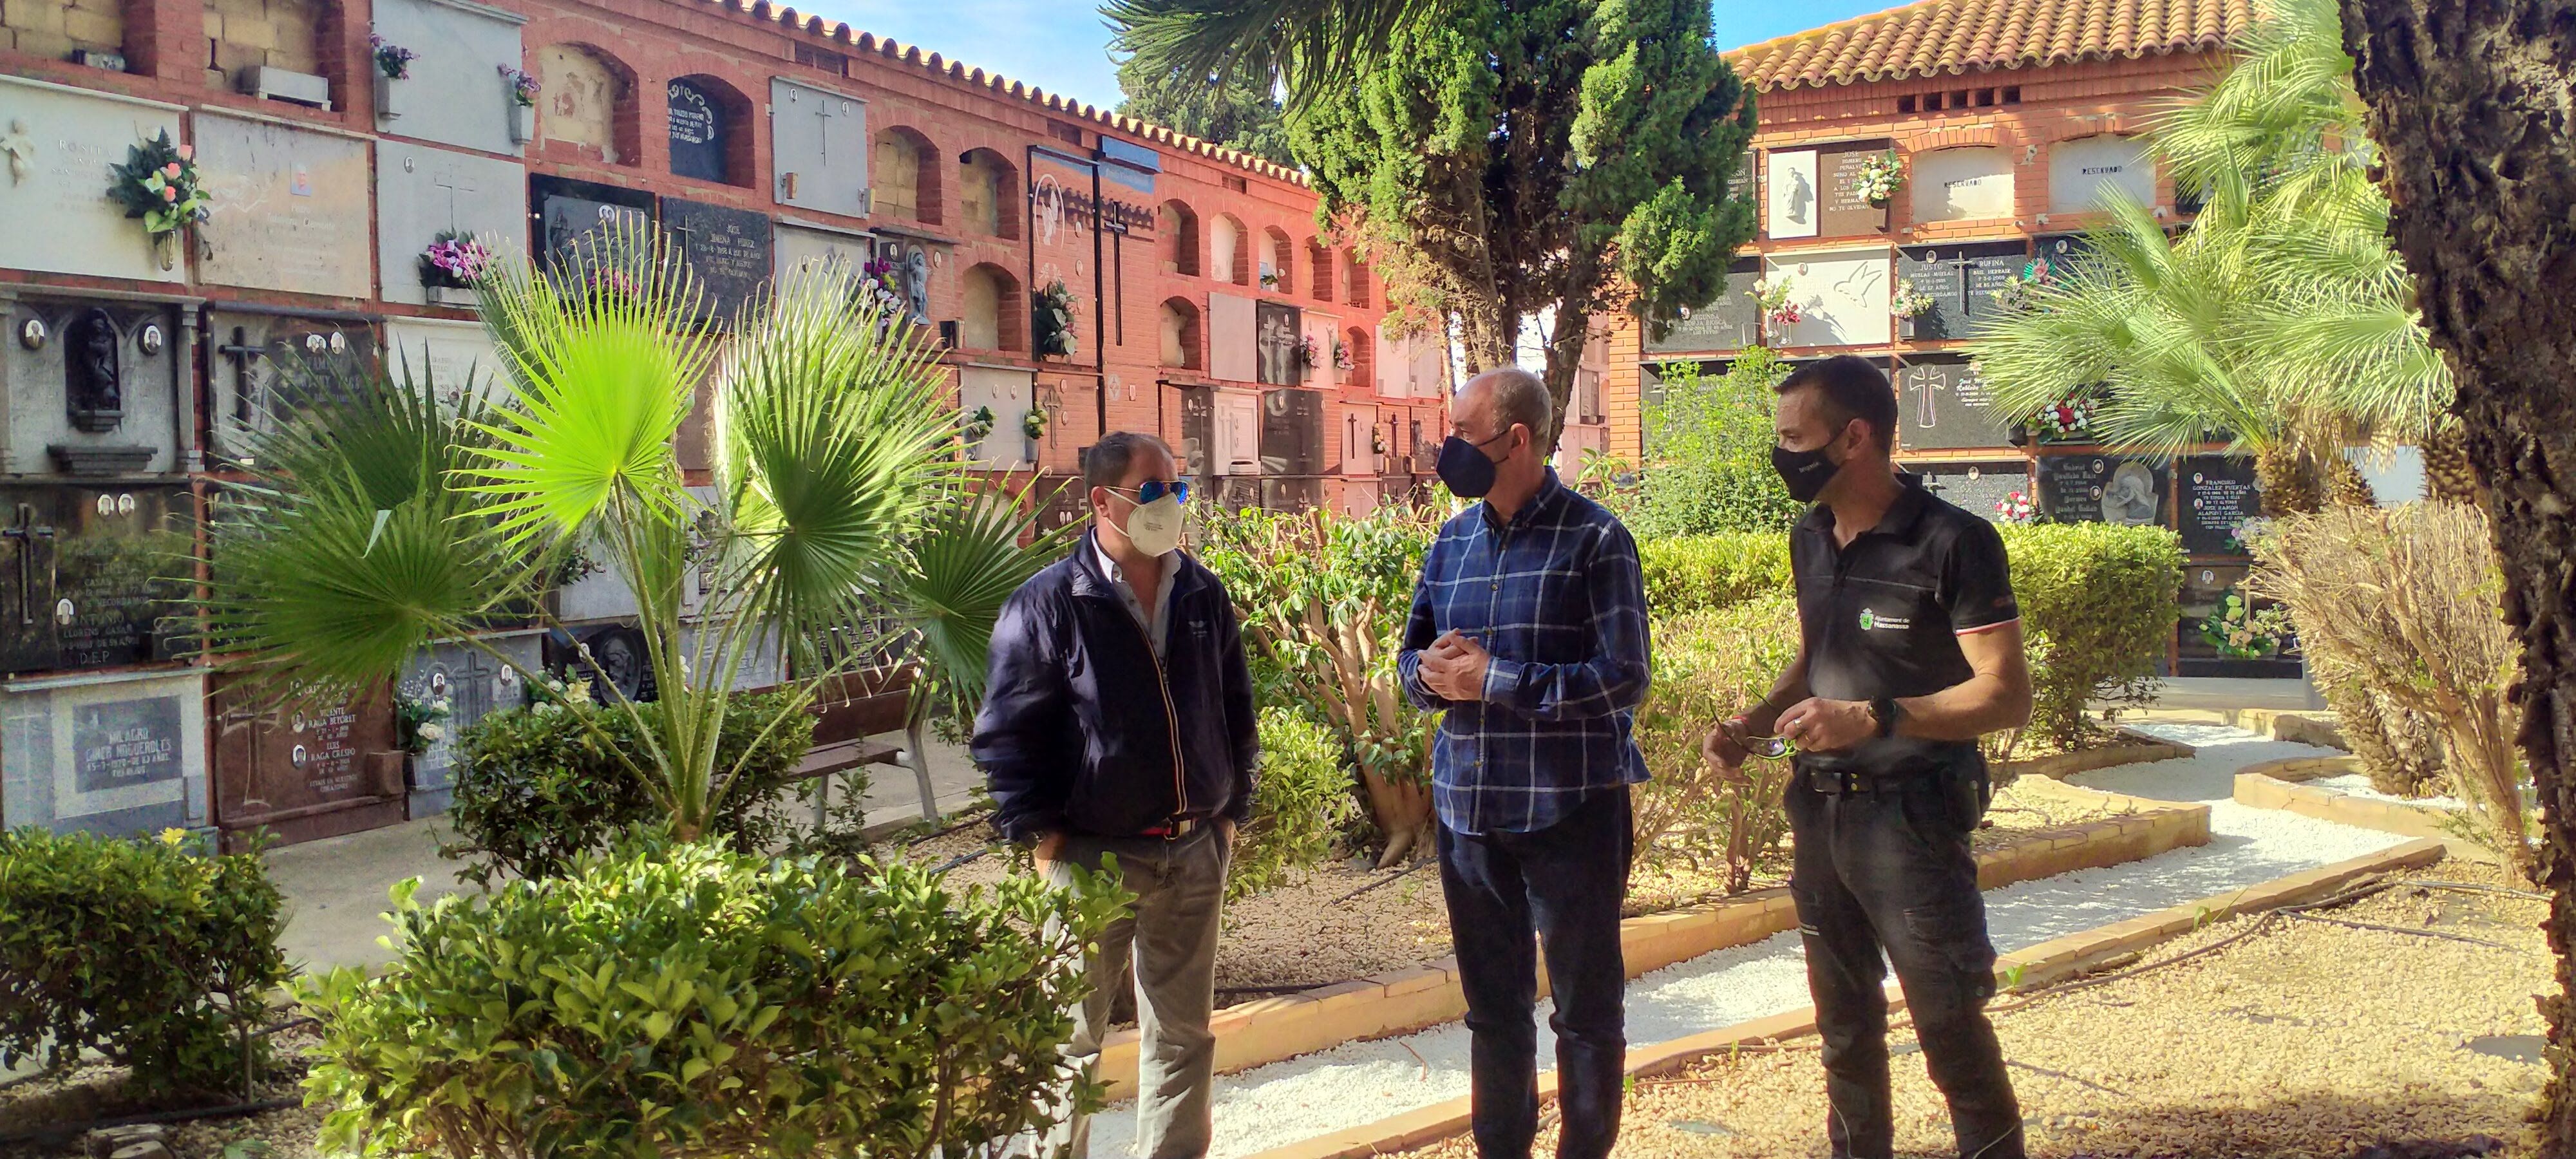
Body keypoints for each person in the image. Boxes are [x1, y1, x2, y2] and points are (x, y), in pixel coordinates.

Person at [1703, 355, 2034, 1159]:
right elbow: (1817, 658)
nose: (1780, 453)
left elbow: (2004, 695)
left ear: (1855, 437)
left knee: (1949, 1026)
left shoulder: (1954, 541)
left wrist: (1875, 717)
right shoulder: (1809, 535)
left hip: (1913, 820)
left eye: (1793, 437)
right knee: (1843, 1033)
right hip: (1818, 814)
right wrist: (1753, 722)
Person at [972, 431, 1258, 1159]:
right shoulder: (1045, 605)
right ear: (1102, 501)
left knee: (1183, 1037)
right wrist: (1044, 845)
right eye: (1153, 490)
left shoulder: (1200, 591)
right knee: (1068, 1043)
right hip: (1091, 862)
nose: (1170, 503)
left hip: (1194, 853)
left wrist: (1228, 816)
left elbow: (1234, 709)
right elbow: (1007, 736)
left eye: (1177, 489)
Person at [1397, 368, 1651, 1159]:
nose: (1449, 453)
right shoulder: (1451, 540)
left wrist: (1493, 679)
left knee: (1584, 1011)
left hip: (1569, 810)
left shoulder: (1597, 538)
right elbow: (1411, 659)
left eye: (1462, 436)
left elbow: (1624, 677)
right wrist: (1429, 676)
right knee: (1492, 1012)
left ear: (1516, 440)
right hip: (1468, 815)